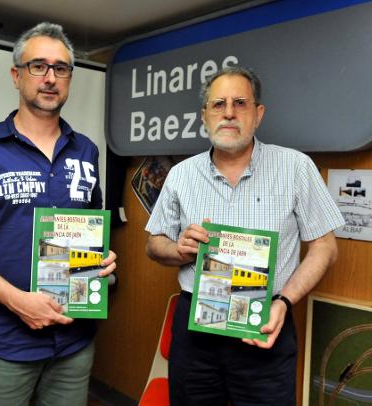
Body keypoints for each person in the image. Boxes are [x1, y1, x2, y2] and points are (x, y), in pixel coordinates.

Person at [0, 22, 116, 406]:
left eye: (61, 68)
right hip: (4, 345)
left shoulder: (86, 151)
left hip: (74, 342)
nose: (50, 78)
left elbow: (89, 231)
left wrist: (103, 261)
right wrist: (17, 300)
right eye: (38, 66)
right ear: (17, 76)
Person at [145, 66, 344, 405]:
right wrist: (179, 250)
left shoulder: (295, 167)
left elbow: (325, 247)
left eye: (240, 103)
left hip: (266, 322)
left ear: (258, 114)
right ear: (204, 116)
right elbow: (153, 245)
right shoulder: (180, 175)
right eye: (218, 104)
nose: (229, 113)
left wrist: (284, 302)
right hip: (196, 331)